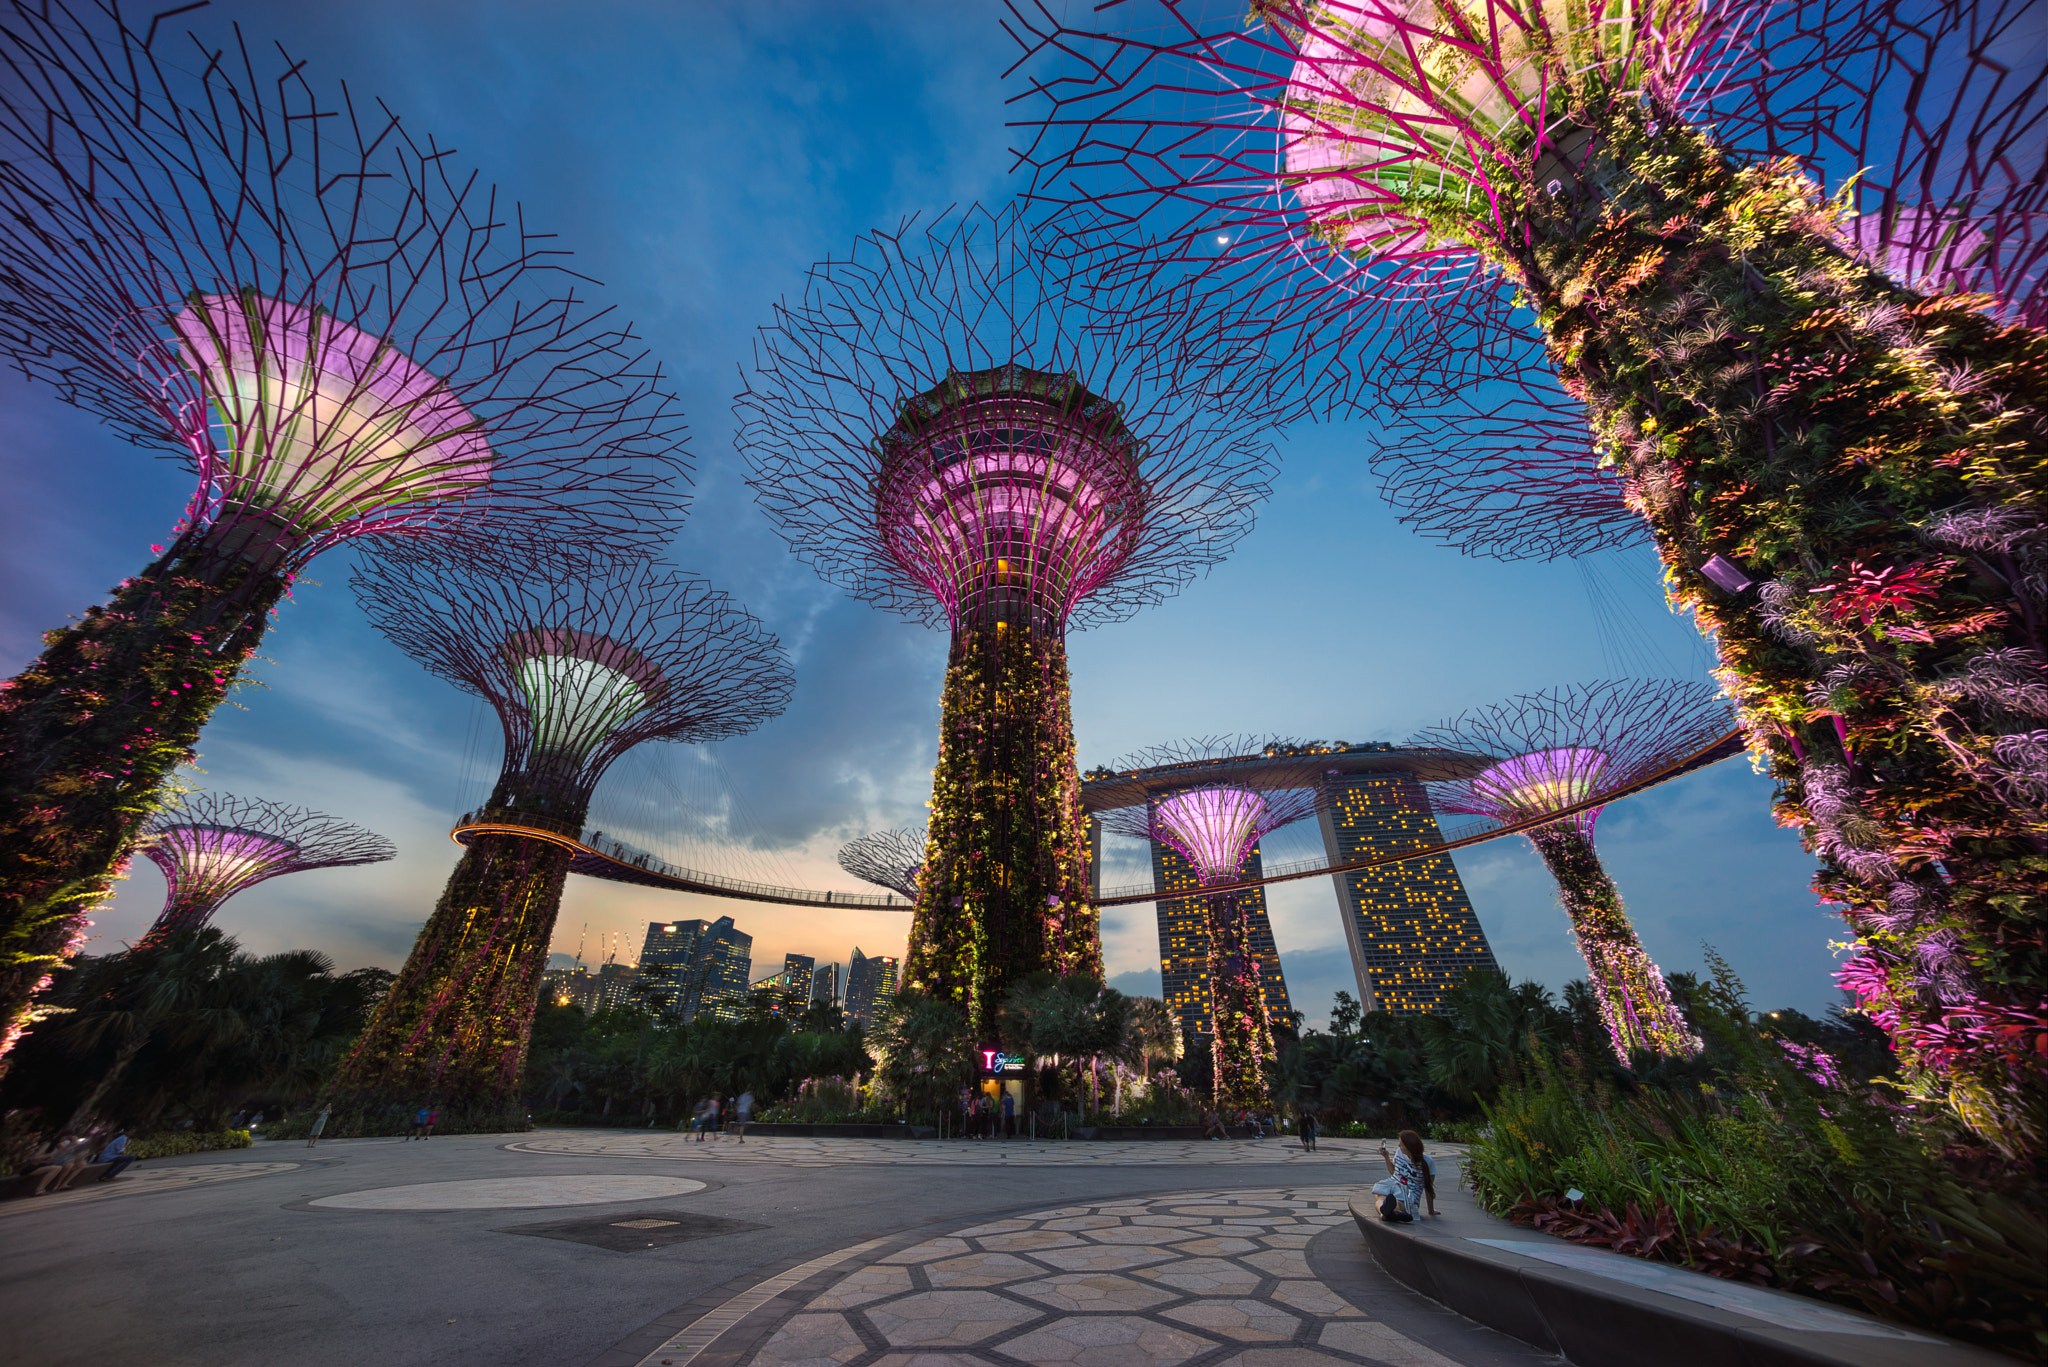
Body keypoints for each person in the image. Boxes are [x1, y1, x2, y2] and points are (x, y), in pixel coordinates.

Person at [1373, 1131, 1429, 1221]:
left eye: (1401, 1144)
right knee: (1380, 1195)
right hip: (1395, 1185)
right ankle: (1386, 1213)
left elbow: (1428, 1187)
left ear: (1409, 1147)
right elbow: (1394, 1173)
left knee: (1398, 1201)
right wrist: (1386, 1157)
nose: (1399, 1146)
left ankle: (1389, 1212)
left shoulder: (1427, 1162)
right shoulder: (1399, 1152)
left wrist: (1431, 1210)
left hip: (1409, 1193)